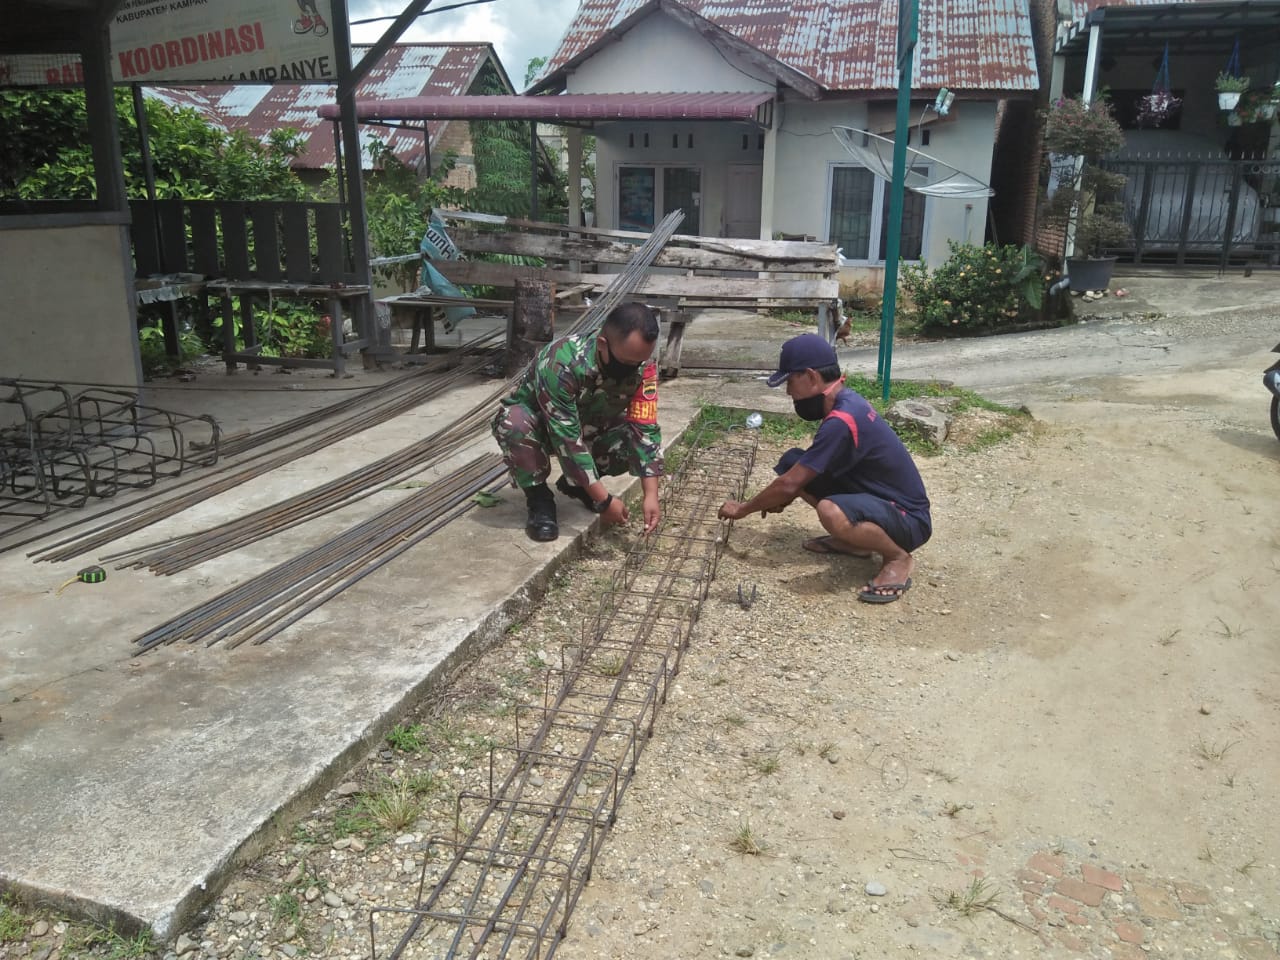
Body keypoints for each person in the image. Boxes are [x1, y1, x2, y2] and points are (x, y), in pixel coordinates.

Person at [718, 333, 931, 604]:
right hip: (881, 498)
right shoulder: (846, 402)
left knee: (830, 510)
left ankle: (897, 557)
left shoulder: (842, 419)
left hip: (910, 519)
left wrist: (743, 509)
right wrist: (784, 493)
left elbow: (789, 484)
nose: (788, 392)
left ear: (810, 376)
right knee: (792, 461)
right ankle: (856, 543)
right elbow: (796, 476)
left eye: (790, 381)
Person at [491, 302, 663, 542]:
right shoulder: (560, 362)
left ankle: (578, 486)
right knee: (514, 422)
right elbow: (567, 439)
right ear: (603, 345)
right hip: (544, 429)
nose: (634, 369)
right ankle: (539, 499)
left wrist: (651, 494)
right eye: (626, 362)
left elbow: (644, 428)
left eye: (640, 361)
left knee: (629, 437)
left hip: (589, 426)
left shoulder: (643, 367)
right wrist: (605, 501)